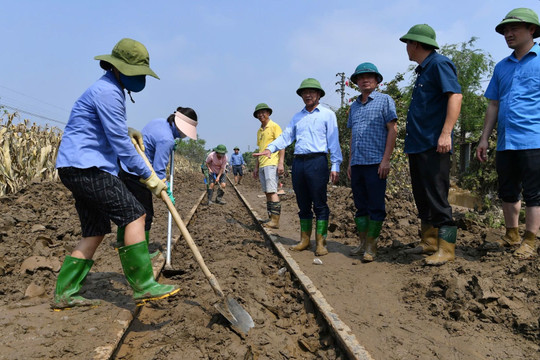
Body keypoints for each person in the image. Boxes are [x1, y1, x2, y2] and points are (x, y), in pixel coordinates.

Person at [53, 38, 179, 309]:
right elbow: (121, 146)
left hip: (75, 166)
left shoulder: (108, 89)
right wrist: (150, 177)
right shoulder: (108, 92)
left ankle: (65, 292)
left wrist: (127, 128)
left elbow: (110, 130)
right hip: (88, 167)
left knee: (95, 230)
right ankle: (144, 285)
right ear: (118, 68)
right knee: (135, 214)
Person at [476, 8, 540, 260]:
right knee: (508, 190)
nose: (508, 34)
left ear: (532, 30)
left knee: (534, 192)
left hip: (534, 138)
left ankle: (530, 240)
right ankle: (511, 235)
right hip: (505, 141)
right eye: (505, 30)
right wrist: (484, 138)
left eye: (514, 29)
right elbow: (493, 104)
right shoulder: (501, 67)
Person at [254, 79, 343, 256]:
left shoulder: (327, 114)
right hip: (299, 163)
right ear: (301, 96)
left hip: (317, 161)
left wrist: (335, 165)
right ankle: (304, 240)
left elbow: (334, 141)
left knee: (319, 203)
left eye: (312, 92)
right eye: (304, 93)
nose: (308, 95)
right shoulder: (297, 117)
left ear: (318, 95)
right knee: (302, 203)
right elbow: (286, 137)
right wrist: (270, 149)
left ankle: (320, 242)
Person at [399, 24, 463, 265]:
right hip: (417, 145)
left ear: (415, 44)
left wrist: (446, 133)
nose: (406, 48)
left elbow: (455, 96)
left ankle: (447, 248)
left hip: (434, 144)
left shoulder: (439, 64)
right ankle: (429, 241)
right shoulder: (422, 71)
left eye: (408, 43)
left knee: (437, 196)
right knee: (422, 195)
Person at [118, 107, 198, 258]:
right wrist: (166, 191)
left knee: (128, 209)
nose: (185, 136)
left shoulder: (160, 122)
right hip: (138, 174)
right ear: (180, 127)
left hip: (125, 167)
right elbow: (159, 171)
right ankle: (141, 252)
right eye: (185, 132)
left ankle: (121, 243)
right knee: (145, 214)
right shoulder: (166, 139)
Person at [347, 63, 398, 262]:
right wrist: (350, 161)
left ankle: (372, 245)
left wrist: (386, 160)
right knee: (360, 206)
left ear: (377, 81)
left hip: (376, 163)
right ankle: (362, 242)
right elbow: (352, 135)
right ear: (356, 82)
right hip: (358, 163)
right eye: (361, 77)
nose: (365, 80)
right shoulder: (354, 106)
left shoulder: (385, 101)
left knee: (376, 205)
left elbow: (392, 130)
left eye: (369, 77)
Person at [252, 103, 285, 229]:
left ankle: (275, 221)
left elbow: (281, 145)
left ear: (269, 113)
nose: (261, 115)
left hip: (271, 163)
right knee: (267, 192)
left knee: (272, 191)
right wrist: (256, 167)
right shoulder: (259, 131)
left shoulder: (274, 126)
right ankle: (271, 218)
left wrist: (280, 163)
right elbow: (260, 149)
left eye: (263, 112)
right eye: (259, 114)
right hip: (262, 164)